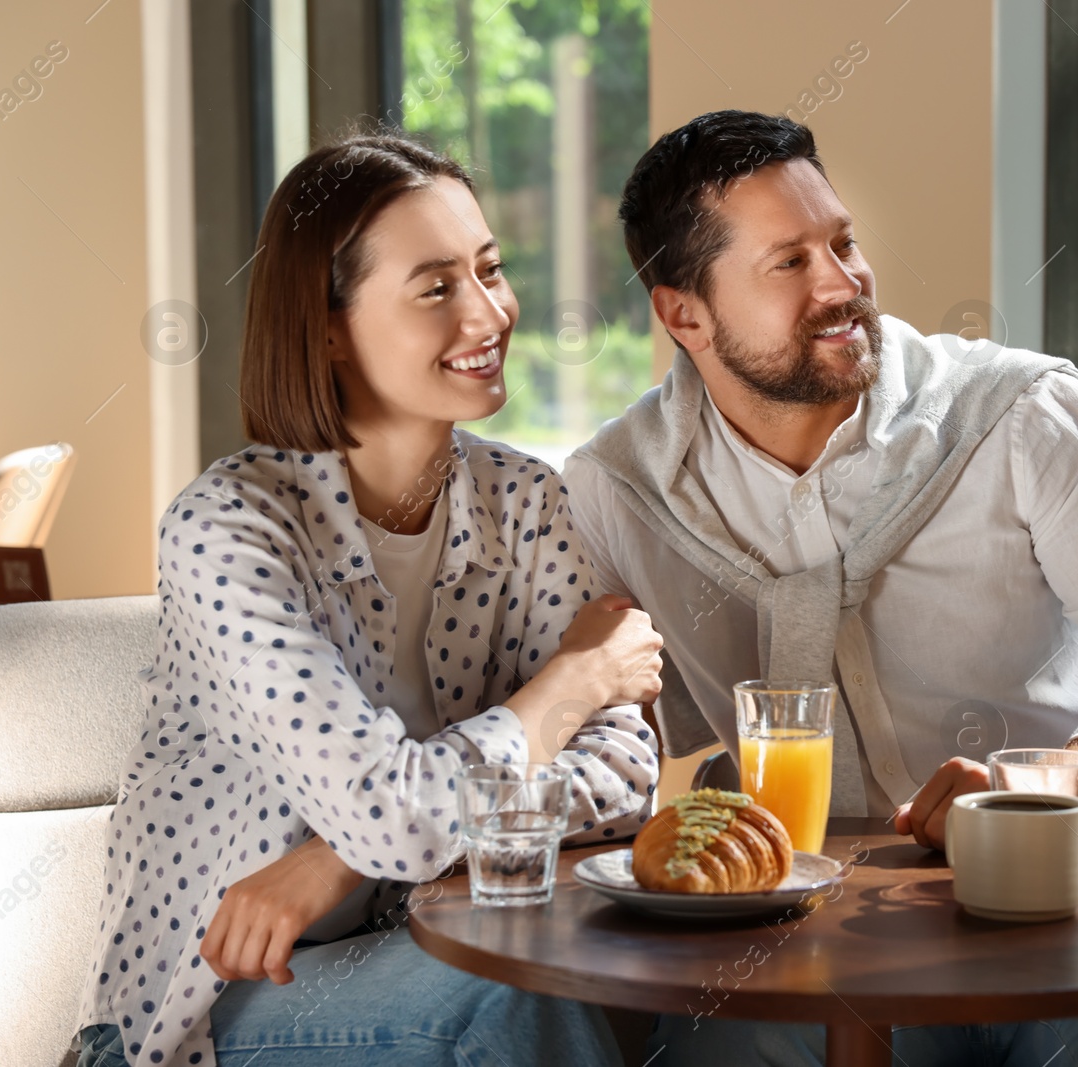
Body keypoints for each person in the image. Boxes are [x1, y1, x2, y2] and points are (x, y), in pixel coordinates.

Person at [562, 110, 1078, 1065]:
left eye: (843, 242)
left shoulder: (1020, 412)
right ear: (685, 313)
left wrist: (1053, 788)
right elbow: (607, 732)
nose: (843, 284)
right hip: (792, 935)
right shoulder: (618, 488)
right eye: (790, 262)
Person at [72, 133, 664, 1067]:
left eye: (491, 270)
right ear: (330, 327)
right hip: (213, 1012)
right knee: (512, 999)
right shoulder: (228, 529)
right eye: (436, 288)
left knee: (606, 974)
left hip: (425, 946)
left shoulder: (526, 500)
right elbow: (399, 810)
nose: (489, 313)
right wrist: (571, 684)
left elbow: (629, 774)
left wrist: (336, 856)